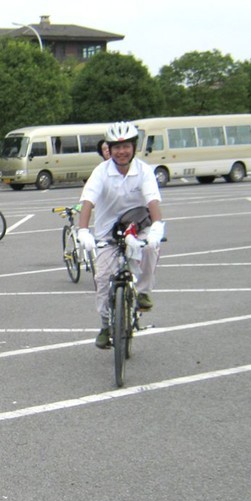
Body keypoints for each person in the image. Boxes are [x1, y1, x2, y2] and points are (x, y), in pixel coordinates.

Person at [77, 121, 166, 349]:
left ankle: (144, 292)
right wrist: (83, 230)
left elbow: (152, 200)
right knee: (102, 278)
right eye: (116, 147)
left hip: (139, 224)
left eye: (126, 146)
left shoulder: (144, 170)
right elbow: (88, 201)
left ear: (134, 147)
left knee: (150, 247)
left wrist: (157, 226)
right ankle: (106, 325)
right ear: (109, 149)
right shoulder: (101, 172)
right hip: (108, 231)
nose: (121, 151)